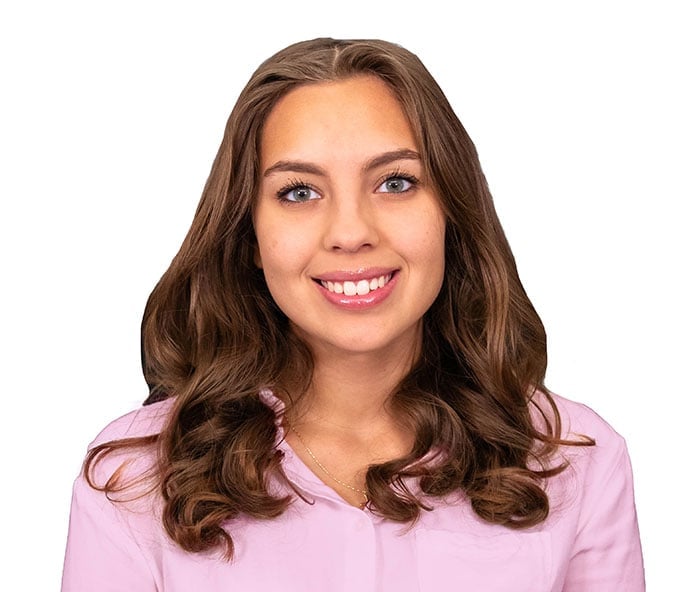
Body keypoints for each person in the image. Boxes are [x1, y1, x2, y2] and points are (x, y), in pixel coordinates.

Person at [61, 38, 645, 591]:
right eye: (299, 192)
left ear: (452, 212)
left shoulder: (576, 460)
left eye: (395, 182)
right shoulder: (133, 480)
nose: (350, 232)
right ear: (249, 236)